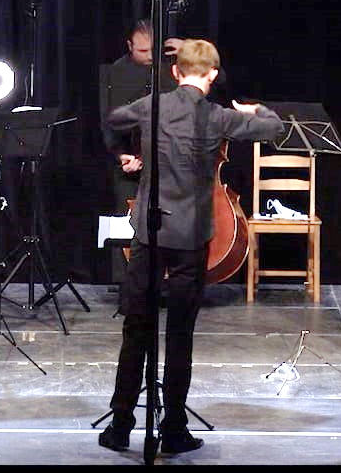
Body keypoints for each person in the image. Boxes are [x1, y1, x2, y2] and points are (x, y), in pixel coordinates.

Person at [97, 39, 284, 455]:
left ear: (175, 72)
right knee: (180, 334)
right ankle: (174, 429)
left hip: (149, 233)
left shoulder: (154, 106)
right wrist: (255, 110)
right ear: (213, 74)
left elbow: (114, 117)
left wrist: (141, 139)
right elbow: (274, 128)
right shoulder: (218, 116)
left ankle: (120, 425)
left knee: (136, 329)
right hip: (191, 235)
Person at [99, 20, 181, 282]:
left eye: (153, 50)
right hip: (130, 157)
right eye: (142, 51)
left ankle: (168, 281)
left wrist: (190, 50)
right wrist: (120, 155)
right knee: (127, 219)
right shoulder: (116, 73)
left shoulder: (172, 67)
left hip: (169, 164)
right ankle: (127, 285)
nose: (149, 56)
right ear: (129, 46)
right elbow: (108, 122)